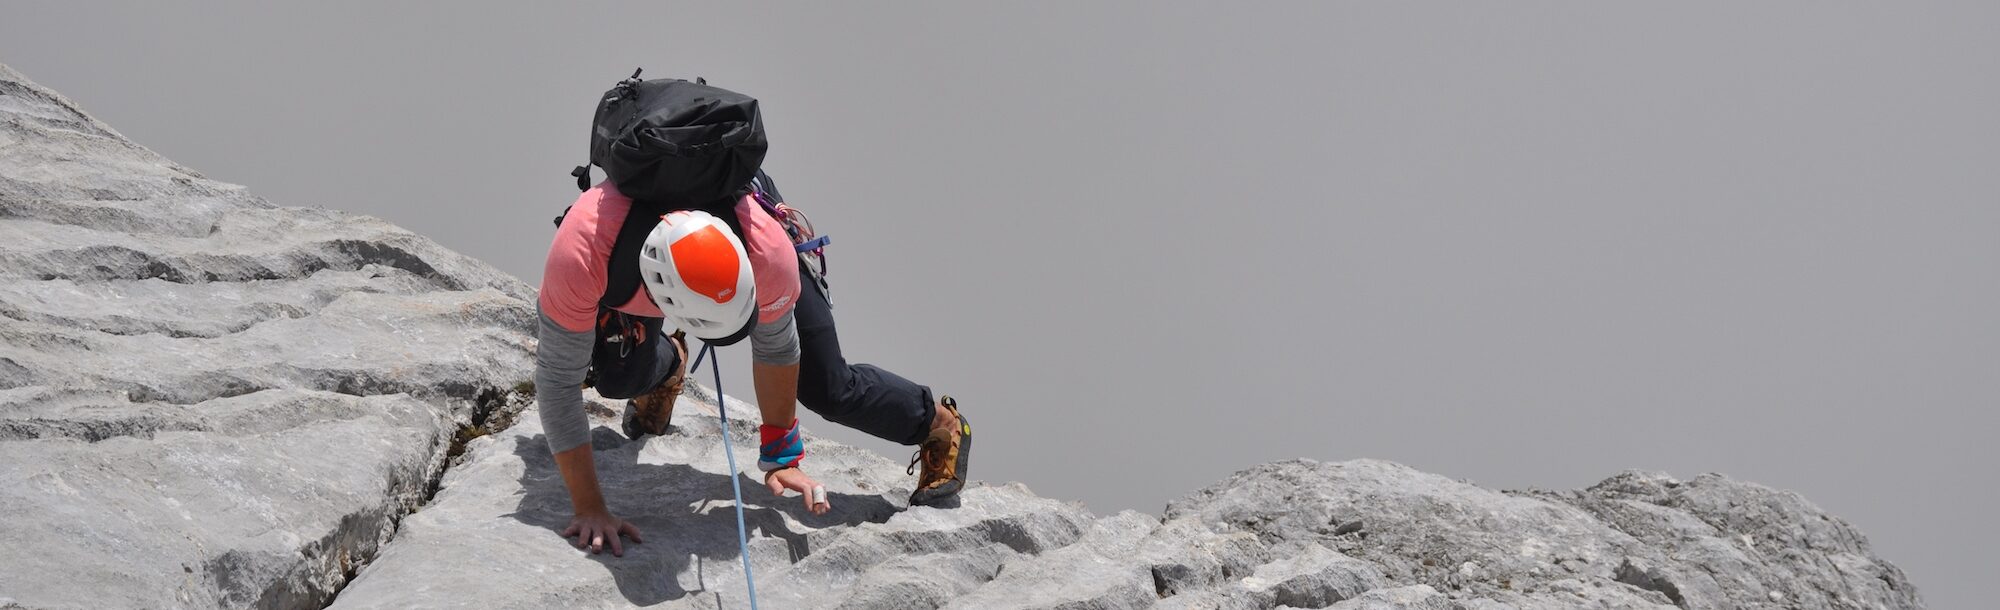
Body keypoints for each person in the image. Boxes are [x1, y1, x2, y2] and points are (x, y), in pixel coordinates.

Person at [534, 155, 971, 556]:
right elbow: (557, 382)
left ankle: (937, 424)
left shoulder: (766, 253)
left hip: (737, 219)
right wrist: (589, 507)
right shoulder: (585, 253)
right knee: (617, 376)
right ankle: (670, 363)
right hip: (633, 256)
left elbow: (777, 347)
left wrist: (781, 456)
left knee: (826, 387)